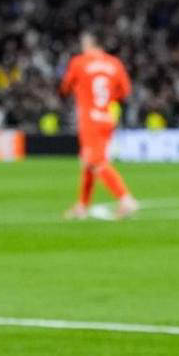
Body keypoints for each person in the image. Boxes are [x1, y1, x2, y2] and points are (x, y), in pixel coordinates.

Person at [59, 32, 138, 220]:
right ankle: (82, 206)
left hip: (89, 119)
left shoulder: (79, 62)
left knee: (96, 162)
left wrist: (80, 90)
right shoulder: (114, 63)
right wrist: (109, 98)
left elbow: (65, 87)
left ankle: (126, 200)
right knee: (88, 161)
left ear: (88, 44)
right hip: (107, 117)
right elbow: (125, 91)